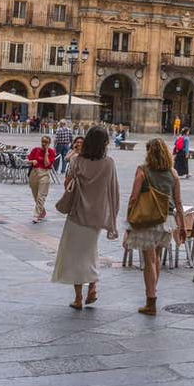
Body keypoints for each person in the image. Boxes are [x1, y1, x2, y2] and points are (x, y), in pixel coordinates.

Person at [52, 125, 119, 309]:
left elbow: (68, 186)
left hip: (77, 214)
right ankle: (93, 287)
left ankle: (79, 298)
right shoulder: (109, 163)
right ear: (105, 143)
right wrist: (112, 219)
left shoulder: (77, 162)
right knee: (90, 251)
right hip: (97, 216)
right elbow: (114, 191)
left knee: (75, 255)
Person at [123, 138, 186, 316]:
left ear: (149, 152)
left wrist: (129, 225)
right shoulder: (173, 173)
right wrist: (181, 226)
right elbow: (179, 203)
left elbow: (133, 199)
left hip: (147, 220)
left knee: (149, 260)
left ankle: (151, 300)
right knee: (156, 258)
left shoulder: (142, 171)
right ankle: (152, 294)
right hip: (167, 221)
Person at [27, 135, 57, 223]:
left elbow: (47, 164)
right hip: (34, 173)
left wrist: (46, 152)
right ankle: (42, 211)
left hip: (44, 173)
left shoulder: (51, 152)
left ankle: (36, 215)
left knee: (41, 196)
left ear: (49, 143)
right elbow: (27, 160)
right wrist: (32, 161)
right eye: (43, 141)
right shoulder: (35, 150)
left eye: (46, 142)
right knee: (35, 195)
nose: (44, 144)